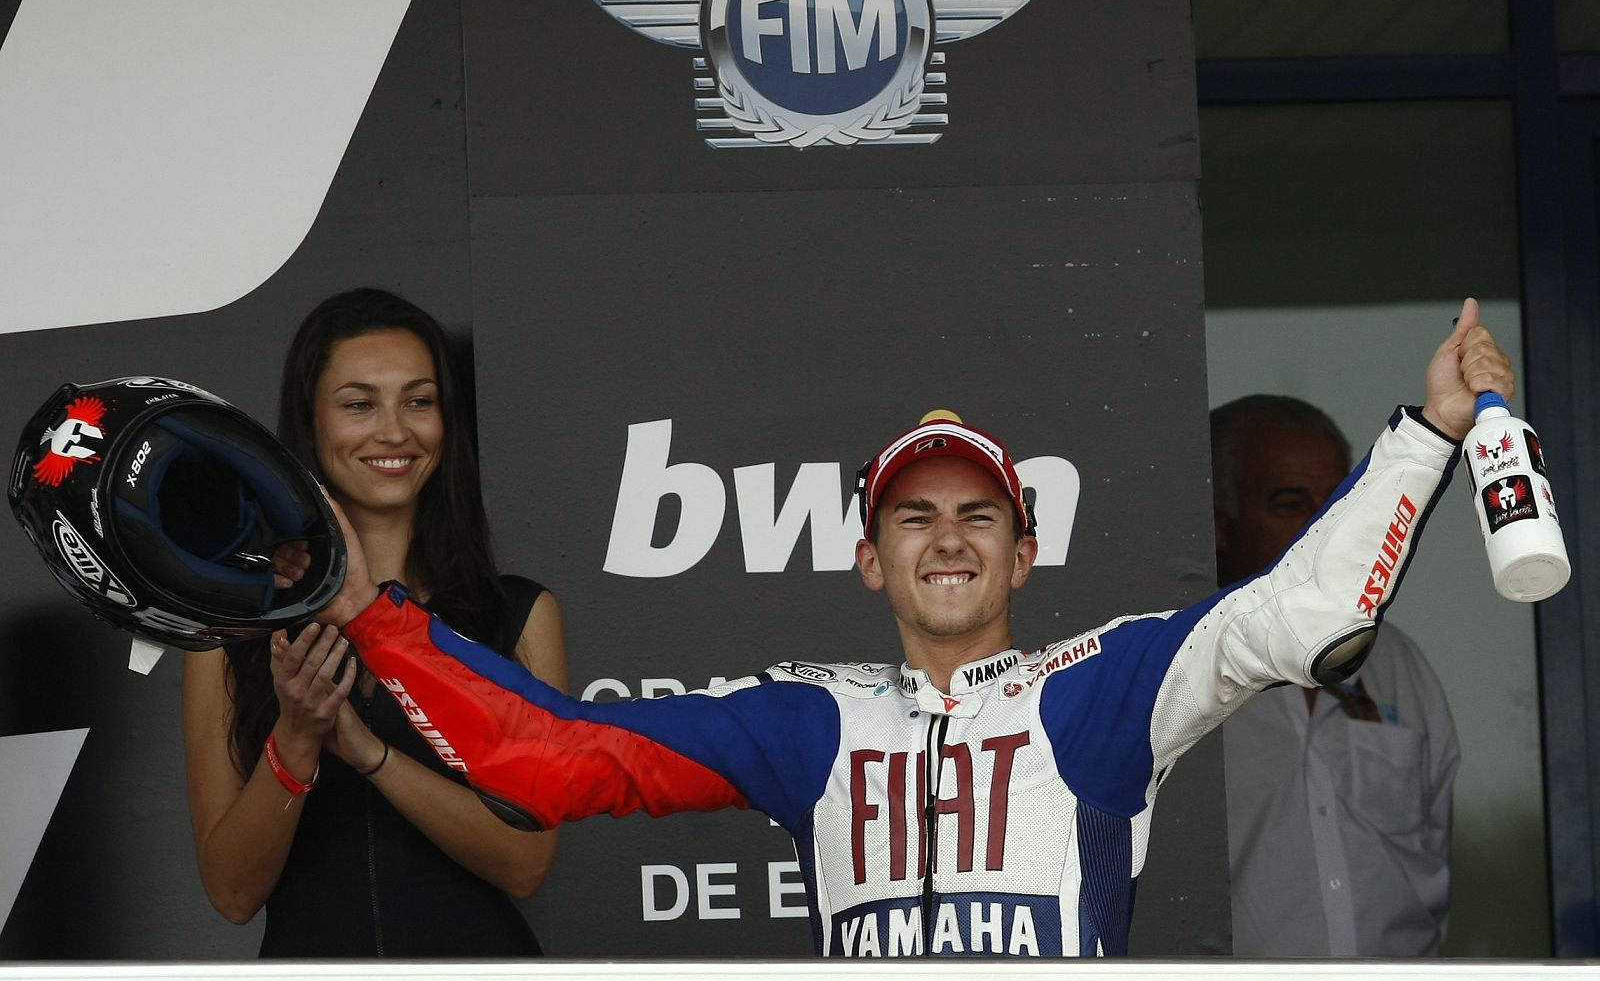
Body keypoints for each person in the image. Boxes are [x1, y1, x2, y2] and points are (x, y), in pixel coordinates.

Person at [303, 298, 1509, 958]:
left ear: (1024, 552)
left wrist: (1429, 433)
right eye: (913, 516)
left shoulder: (1101, 691)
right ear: (868, 559)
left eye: (978, 515)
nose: (946, 538)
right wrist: (369, 615)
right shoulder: (813, 724)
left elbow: (1303, 607)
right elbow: (551, 761)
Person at [181, 288, 566, 956]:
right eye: (359, 403)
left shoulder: (520, 616)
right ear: (311, 422)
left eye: (419, 400)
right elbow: (232, 892)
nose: (395, 430)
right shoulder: (232, 631)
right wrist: (297, 738)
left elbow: (525, 861)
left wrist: (374, 755)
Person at [1212, 394, 1459, 956]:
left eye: (1338, 503)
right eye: (1290, 503)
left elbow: (1432, 858)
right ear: (1220, 523)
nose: (1324, 528)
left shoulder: (1399, 664)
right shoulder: (1179, 664)